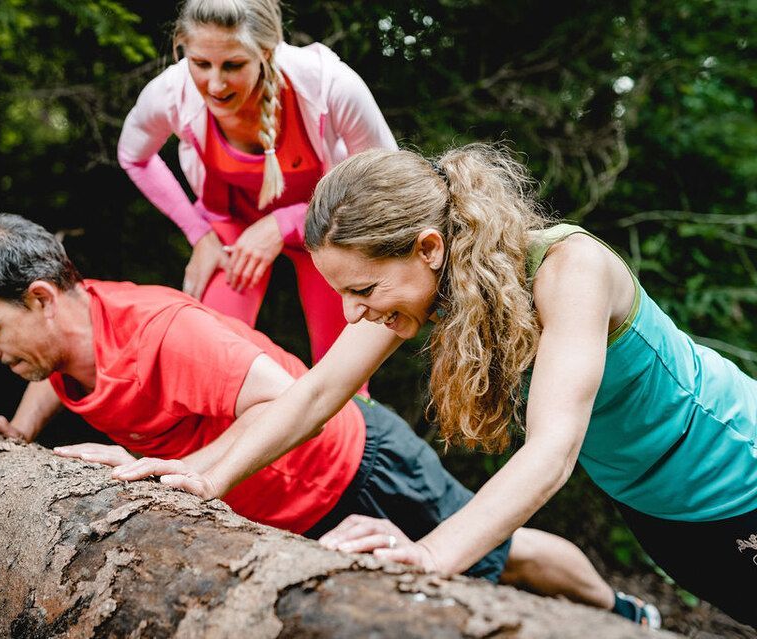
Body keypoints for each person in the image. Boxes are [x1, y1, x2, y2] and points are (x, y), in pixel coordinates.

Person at [112, 144, 757, 628]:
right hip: (654, 503)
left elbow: (551, 452)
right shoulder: (415, 290)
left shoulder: (571, 270)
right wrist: (204, 477)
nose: (352, 313)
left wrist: (429, 554)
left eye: (361, 291)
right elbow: (314, 393)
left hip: (737, 473)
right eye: (342, 293)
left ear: (428, 247)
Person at [0, 213, 654, 624]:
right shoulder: (64, 346)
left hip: (353, 468)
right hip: (272, 505)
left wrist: (191, 473)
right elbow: (58, 377)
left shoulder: (163, 332)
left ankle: (621, 609)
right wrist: (20, 432)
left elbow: (286, 395)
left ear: (44, 299)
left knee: (508, 553)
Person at [117, 0, 397, 367]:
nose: (215, 84)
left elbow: (388, 180)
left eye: (233, 65)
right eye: (200, 64)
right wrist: (199, 234)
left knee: (342, 366)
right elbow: (133, 155)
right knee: (211, 355)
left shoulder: (329, 86)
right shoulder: (171, 93)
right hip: (232, 227)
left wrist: (285, 224)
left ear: (266, 52)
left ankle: (355, 422)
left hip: (329, 228)